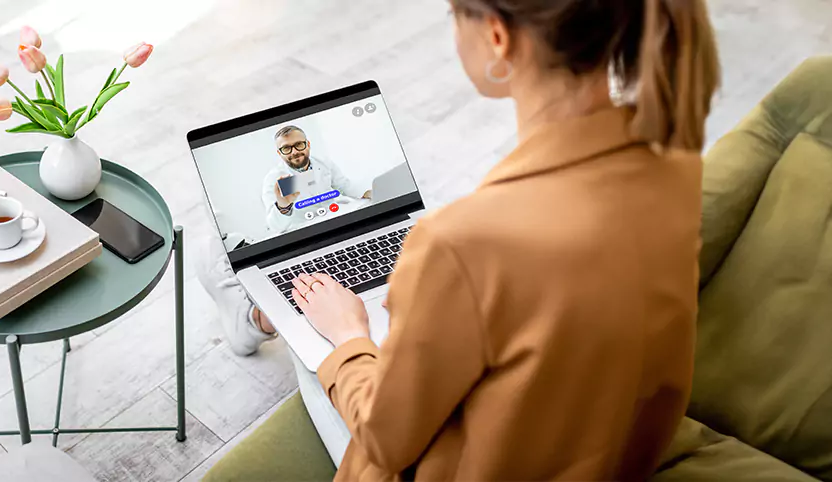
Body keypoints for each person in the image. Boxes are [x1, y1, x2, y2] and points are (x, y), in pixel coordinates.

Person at [202, 0, 721, 479]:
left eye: (454, 12)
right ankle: (259, 315)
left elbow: (385, 440)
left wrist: (350, 337)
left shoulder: (462, 245)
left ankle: (256, 317)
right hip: (604, 455)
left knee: (314, 337)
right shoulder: (677, 169)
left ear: (497, 37)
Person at [261, 126, 371, 234]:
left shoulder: (324, 163)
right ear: (279, 153)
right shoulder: (274, 179)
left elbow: (344, 186)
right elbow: (275, 226)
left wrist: (366, 193)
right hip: (304, 232)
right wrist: (283, 206)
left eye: (299, 144)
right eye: (286, 148)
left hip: (334, 220)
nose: (294, 152)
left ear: (308, 145)